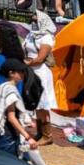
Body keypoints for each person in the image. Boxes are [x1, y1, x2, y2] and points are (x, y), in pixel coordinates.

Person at [0, 58, 45, 165]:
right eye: (20, 72)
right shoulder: (11, 90)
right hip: (9, 134)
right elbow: (11, 117)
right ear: (11, 73)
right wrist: (28, 137)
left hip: (3, 131)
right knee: (12, 163)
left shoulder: (5, 86)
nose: (23, 74)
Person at [24, 12, 58, 145]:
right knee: (36, 103)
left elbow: (40, 58)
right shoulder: (31, 34)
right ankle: (40, 132)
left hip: (41, 73)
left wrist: (26, 63)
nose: (33, 23)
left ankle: (47, 135)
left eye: (35, 20)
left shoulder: (47, 37)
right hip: (31, 72)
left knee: (43, 104)